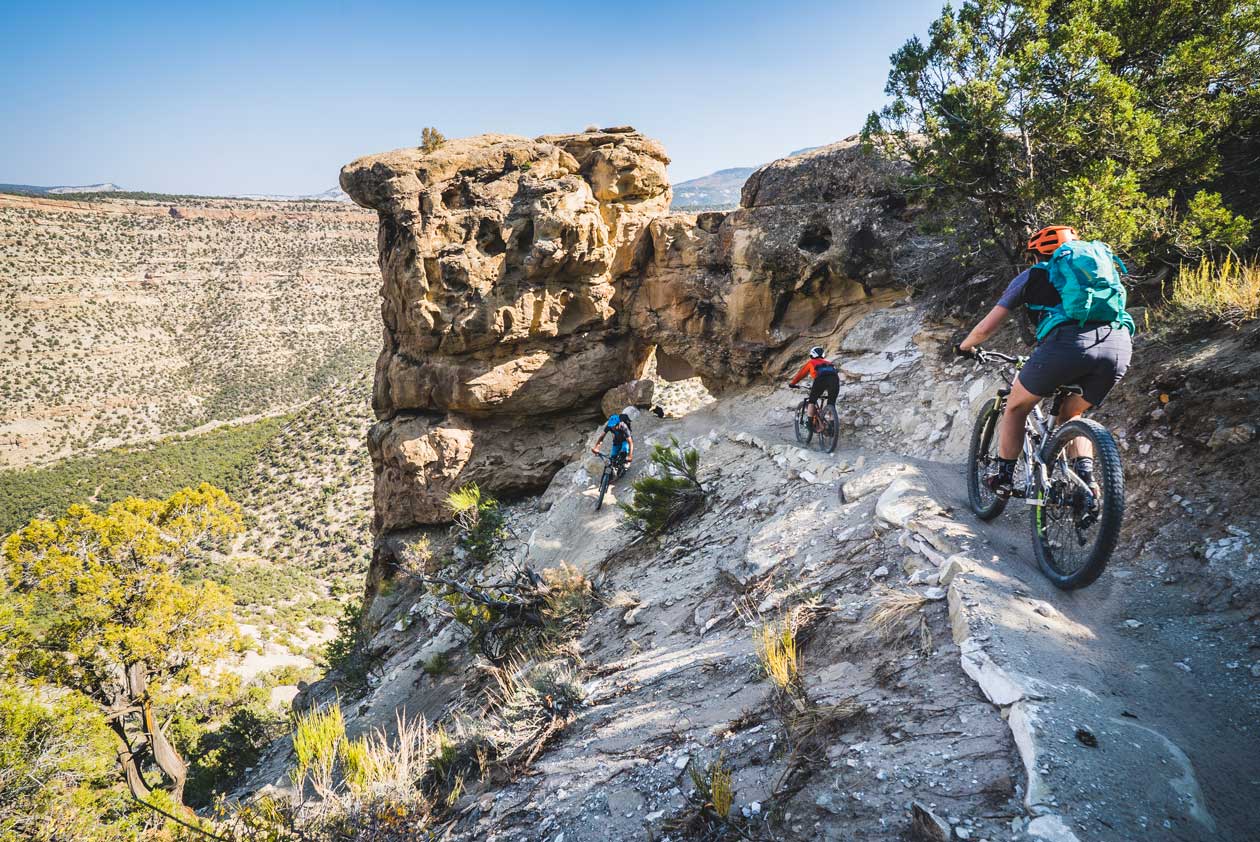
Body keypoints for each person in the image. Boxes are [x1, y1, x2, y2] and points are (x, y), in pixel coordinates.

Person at [955, 225, 1134, 496]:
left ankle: (1003, 478)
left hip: (1067, 346)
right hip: (1118, 345)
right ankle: (1088, 484)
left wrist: (965, 346)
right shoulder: (1097, 272)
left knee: (1015, 407)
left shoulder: (1033, 275)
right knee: (1072, 414)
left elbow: (986, 329)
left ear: (1036, 255)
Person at [788, 346, 840, 424]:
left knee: (812, 401)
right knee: (831, 403)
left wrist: (792, 383)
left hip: (821, 380)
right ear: (823, 355)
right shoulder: (829, 363)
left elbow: (801, 374)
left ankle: (809, 423)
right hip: (835, 380)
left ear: (812, 355)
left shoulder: (811, 362)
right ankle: (832, 427)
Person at [591, 407, 635, 476]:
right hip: (616, 441)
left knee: (624, 451)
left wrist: (630, 456)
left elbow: (630, 442)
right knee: (612, 458)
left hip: (624, 440)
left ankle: (624, 466)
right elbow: (602, 437)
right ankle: (611, 475)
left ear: (618, 423)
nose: (612, 428)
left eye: (614, 426)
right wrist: (596, 447)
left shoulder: (623, 426)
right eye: (611, 426)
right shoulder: (609, 426)